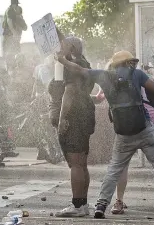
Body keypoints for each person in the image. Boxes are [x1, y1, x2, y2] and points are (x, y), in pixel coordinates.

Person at [56, 49, 154, 218]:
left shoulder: (103, 75)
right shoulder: (137, 74)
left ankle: (101, 205)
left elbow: (78, 70)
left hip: (123, 134)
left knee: (114, 169)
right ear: (128, 62)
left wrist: (62, 60)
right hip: (144, 129)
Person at [92, 65, 154, 213]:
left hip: (151, 122)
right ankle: (119, 200)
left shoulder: (137, 75)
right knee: (125, 166)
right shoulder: (112, 79)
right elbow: (99, 97)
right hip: (132, 127)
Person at [49, 37, 95, 217]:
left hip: (73, 117)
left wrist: (62, 119)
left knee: (75, 163)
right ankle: (82, 203)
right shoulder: (85, 63)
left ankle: (77, 206)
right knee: (81, 163)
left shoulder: (72, 65)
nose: (59, 47)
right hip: (85, 115)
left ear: (72, 47)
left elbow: (69, 93)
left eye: (63, 44)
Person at [2, 0, 27, 70]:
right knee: (11, 53)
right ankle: (11, 69)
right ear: (14, 5)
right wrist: (14, 32)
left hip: (10, 36)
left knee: (13, 53)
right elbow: (9, 22)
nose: (17, 7)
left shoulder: (12, 12)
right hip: (10, 36)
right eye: (16, 5)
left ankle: (12, 68)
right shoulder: (10, 11)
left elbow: (25, 27)